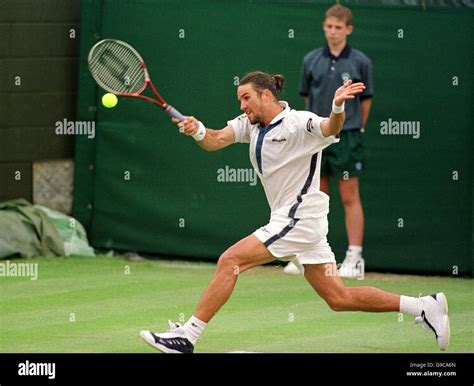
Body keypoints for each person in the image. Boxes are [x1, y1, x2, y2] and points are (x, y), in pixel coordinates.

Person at [139, 71, 449, 353]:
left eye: (246, 98)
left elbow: (330, 126)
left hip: (298, 219)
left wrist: (338, 107)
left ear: (267, 95)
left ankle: (187, 337)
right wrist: (196, 130)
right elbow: (215, 139)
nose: (242, 105)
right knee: (338, 298)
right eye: (239, 99)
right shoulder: (250, 124)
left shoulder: (300, 122)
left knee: (230, 260)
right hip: (302, 224)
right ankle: (423, 306)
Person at [285, 4, 372, 278]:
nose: (332, 32)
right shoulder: (311, 60)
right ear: (324, 27)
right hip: (317, 137)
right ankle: (309, 256)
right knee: (314, 196)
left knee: (349, 196)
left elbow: (365, 101)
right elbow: (307, 98)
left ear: (348, 29)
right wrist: (318, 127)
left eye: (338, 27)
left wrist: (356, 127)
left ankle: (354, 258)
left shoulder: (360, 62)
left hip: (347, 137)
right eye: (329, 26)